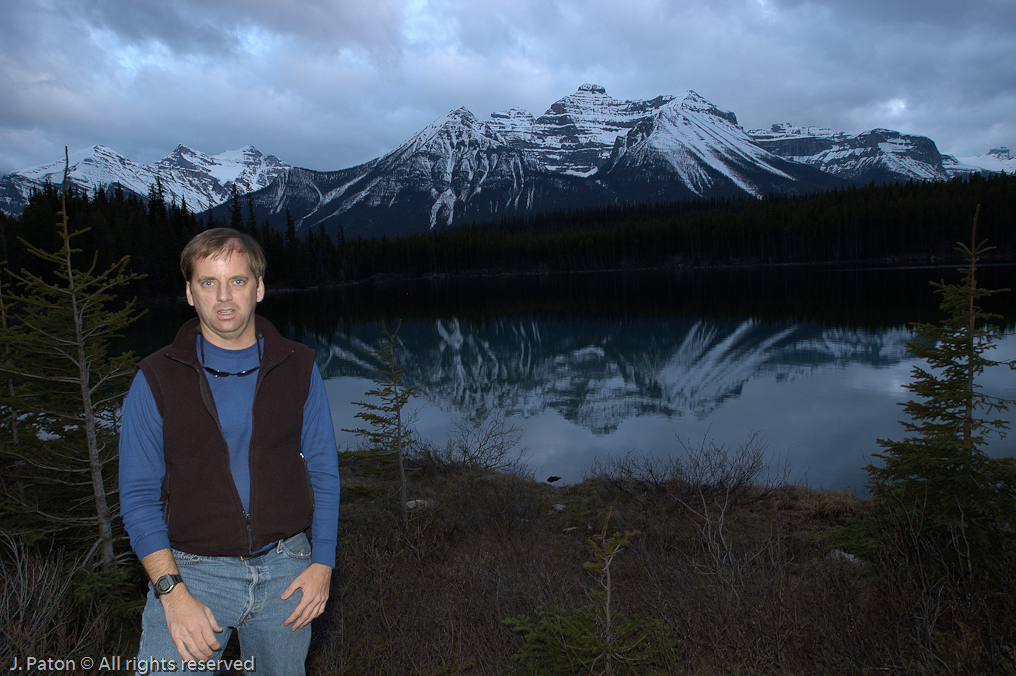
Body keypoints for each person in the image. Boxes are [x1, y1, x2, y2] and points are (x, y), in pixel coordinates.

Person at [119, 228, 340, 675]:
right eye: (208, 282)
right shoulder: (156, 379)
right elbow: (138, 498)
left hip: (288, 572)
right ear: (188, 292)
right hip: (194, 574)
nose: (224, 297)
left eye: (237, 281)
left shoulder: (299, 367)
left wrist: (323, 564)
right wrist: (172, 593)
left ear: (259, 288)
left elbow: (324, 473)